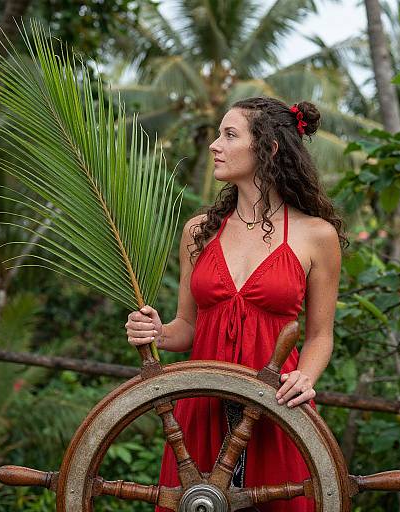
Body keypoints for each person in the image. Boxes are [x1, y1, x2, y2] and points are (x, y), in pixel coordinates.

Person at [125, 97, 344, 511]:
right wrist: (155, 330)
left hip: (277, 407)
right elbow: (186, 327)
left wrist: (306, 377)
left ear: (269, 148)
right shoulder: (198, 231)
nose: (214, 145)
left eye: (229, 134)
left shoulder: (317, 236)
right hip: (201, 402)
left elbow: (320, 335)